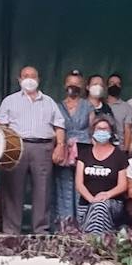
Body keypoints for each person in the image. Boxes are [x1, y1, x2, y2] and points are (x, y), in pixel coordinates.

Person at [0, 66, 67, 234]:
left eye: (33, 76)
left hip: (43, 149)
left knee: (42, 191)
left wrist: (60, 146)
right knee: (13, 190)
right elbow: (0, 127)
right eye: (25, 76)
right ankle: (11, 233)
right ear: (19, 80)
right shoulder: (10, 101)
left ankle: (41, 231)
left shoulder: (49, 102)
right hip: (16, 148)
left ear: (38, 79)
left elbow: (59, 126)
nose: (29, 79)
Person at [53, 70, 94, 229]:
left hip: (83, 149)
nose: (73, 86)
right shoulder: (57, 106)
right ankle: (64, 227)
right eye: (70, 83)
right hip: (63, 149)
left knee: (81, 187)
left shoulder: (87, 105)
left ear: (83, 86)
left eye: (77, 84)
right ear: (65, 85)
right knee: (63, 187)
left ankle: (83, 226)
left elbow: (92, 130)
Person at [74, 117, 128, 234]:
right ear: (93, 131)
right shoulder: (84, 154)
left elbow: (123, 185)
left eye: (105, 129)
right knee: (97, 208)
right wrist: (92, 200)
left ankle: (91, 240)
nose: (102, 131)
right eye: (99, 129)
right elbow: (79, 184)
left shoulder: (119, 156)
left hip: (112, 204)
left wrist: (106, 195)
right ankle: (101, 240)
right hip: (87, 203)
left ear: (111, 132)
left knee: (100, 208)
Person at [105, 74, 132, 150]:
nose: (115, 85)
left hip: (118, 148)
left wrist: (126, 150)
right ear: (107, 86)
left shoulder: (126, 107)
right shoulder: (101, 105)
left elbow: (128, 130)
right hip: (100, 146)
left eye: (118, 84)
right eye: (112, 83)